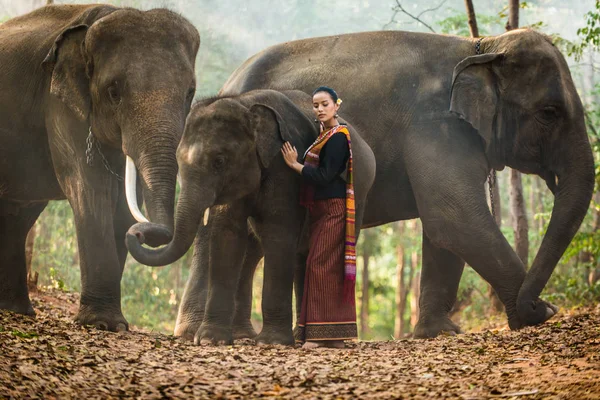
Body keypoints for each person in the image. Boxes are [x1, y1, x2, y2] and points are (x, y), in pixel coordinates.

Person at [281, 86, 358, 349]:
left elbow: (325, 176)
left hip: (333, 209)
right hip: (321, 209)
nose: (320, 109)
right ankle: (332, 336)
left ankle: (318, 336)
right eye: (315, 105)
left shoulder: (337, 137)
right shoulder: (323, 136)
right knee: (325, 267)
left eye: (325, 104)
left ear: (337, 105)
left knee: (317, 265)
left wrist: (295, 166)